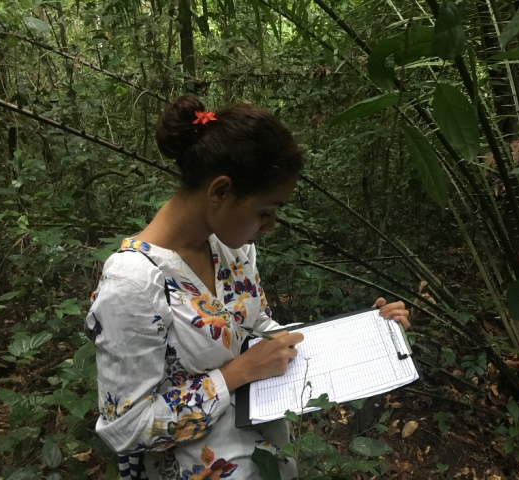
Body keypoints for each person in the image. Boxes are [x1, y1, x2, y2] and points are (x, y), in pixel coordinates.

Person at [85, 94, 411, 480]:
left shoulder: (230, 249)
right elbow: (127, 429)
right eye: (265, 211)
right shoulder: (133, 284)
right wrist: (235, 374)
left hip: (266, 455)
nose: (270, 225)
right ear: (220, 191)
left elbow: (258, 332)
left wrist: (367, 332)